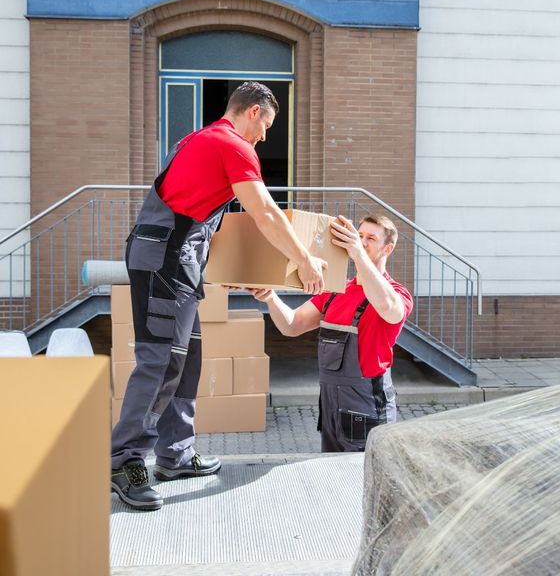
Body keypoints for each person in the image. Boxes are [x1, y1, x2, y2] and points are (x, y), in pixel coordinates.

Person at [111, 81, 327, 511]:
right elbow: (263, 211)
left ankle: (175, 454)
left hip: (180, 258)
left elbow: (209, 217)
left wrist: (233, 270)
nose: (266, 136)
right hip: (165, 260)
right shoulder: (231, 145)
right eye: (266, 124)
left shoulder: (200, 140)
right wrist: (304, 259)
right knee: (161, 360)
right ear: (251, 112)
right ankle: (124, 460)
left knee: (187, 358)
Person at [251, 214, 413, 452]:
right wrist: (270, 298)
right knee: (334, 476)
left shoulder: (397, 294)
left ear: (387, 248)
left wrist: (357, 253)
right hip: (331, 405)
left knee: (364, 477)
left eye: (370, 238)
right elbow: (292, 325)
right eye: (359, 236)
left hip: (367, 405)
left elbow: (389, 309)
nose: (361, 241)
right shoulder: (336, 290)